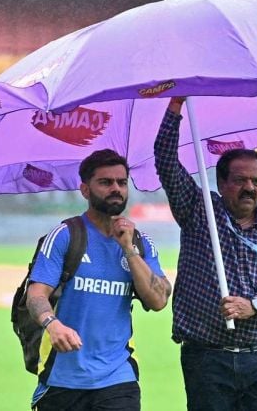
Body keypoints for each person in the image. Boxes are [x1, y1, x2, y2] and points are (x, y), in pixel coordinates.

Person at [154, 97, 257, 411]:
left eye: (256, 181)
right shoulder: (198, 210)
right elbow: (165, 159)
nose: (249, 187)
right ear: (221, 183)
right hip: (206, 358)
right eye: (240, 180)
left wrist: (254, 305)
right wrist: (176, 105)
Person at [26, 149, 172, 411]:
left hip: (118, 377)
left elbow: (159, 299)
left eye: (122, 182)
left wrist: (128, 248)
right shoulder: (65, 235)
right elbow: (36, 294)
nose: (116, 188)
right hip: (63, 377)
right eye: (105, 182)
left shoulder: (140, 242)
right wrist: (53, 324)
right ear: (85, 190)